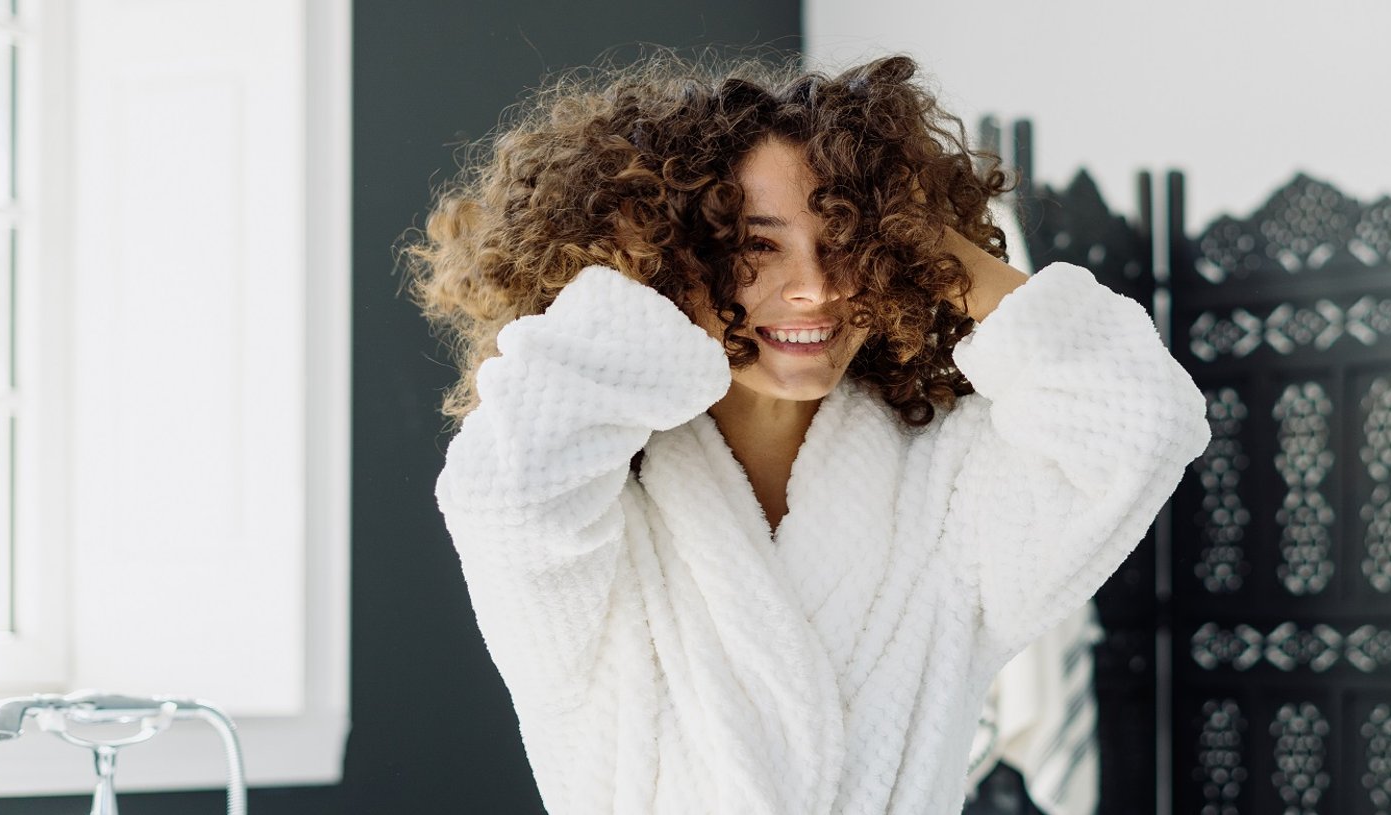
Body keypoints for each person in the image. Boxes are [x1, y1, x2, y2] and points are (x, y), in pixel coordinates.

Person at [405, 52, 1210, 814]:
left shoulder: (945, 491)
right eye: (757, 248)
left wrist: (927, 239)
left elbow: (1140, 422)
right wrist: (659, 274)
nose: (816, 289)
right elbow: (505, 492)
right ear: (672, 258)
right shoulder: (600, 503)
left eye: (846, 242)